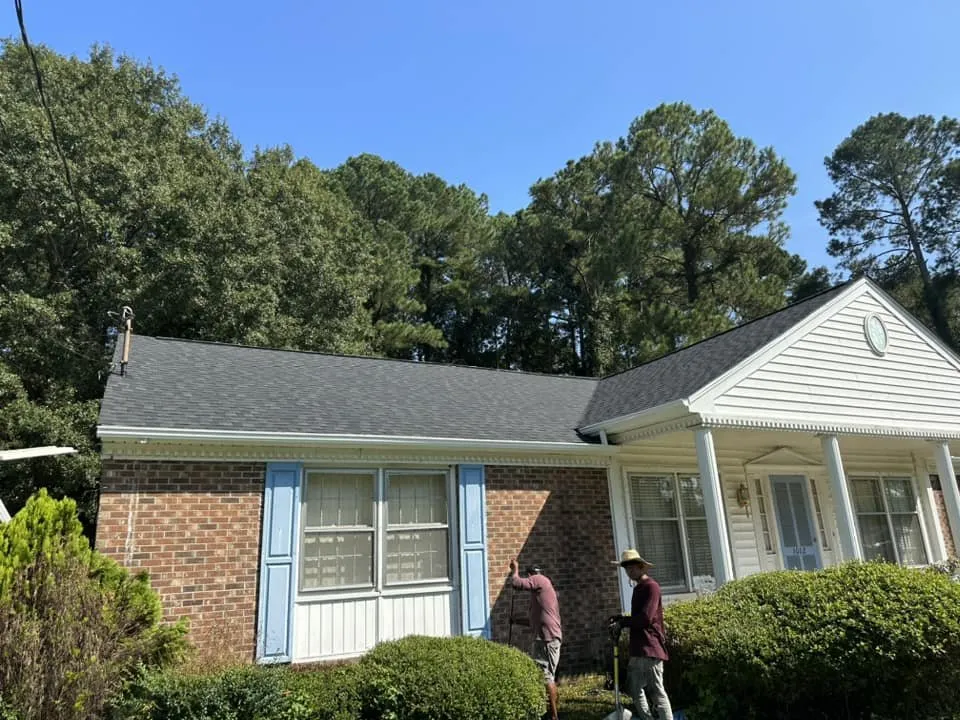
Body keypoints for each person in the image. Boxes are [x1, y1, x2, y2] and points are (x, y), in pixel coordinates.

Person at [608, 549, 673, 720]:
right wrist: (621, 618)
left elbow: (645, 618)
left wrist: (623, 623)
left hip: (651, 647)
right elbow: (637, 617)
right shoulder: (638, 588)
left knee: (657, 692)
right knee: (635, 689)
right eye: (626, 568)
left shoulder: (652, 587)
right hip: (638, 649)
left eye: (632, 568)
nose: (629, 571)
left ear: (641, 567)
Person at [509, 558, 562, 720]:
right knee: (543, 675)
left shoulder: (540, 579)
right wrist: (516, 620)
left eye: (529, 577)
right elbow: (534, 621)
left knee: (546, 676)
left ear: (531, 575)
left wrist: (514, 569)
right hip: (545, 637)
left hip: (548, 639)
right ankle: (547, 711)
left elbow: (517, 583)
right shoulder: (541, 593)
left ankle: (553, 716)